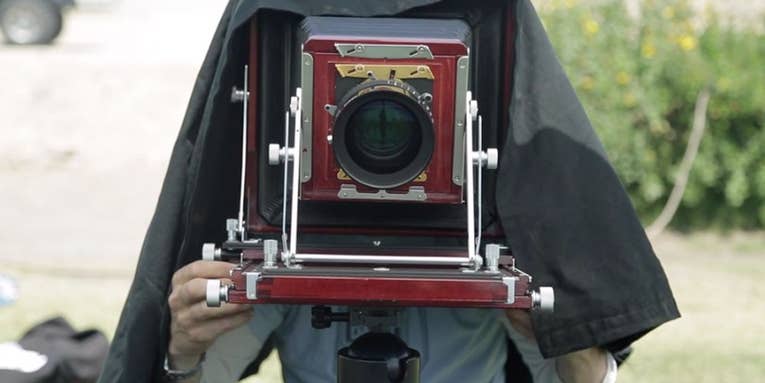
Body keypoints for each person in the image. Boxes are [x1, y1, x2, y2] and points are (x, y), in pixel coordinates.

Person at [164, 260, 616, 383]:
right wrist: (184, 350)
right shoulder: (286, 251)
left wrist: (567, 332)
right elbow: (207, 377)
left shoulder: (489, 249)